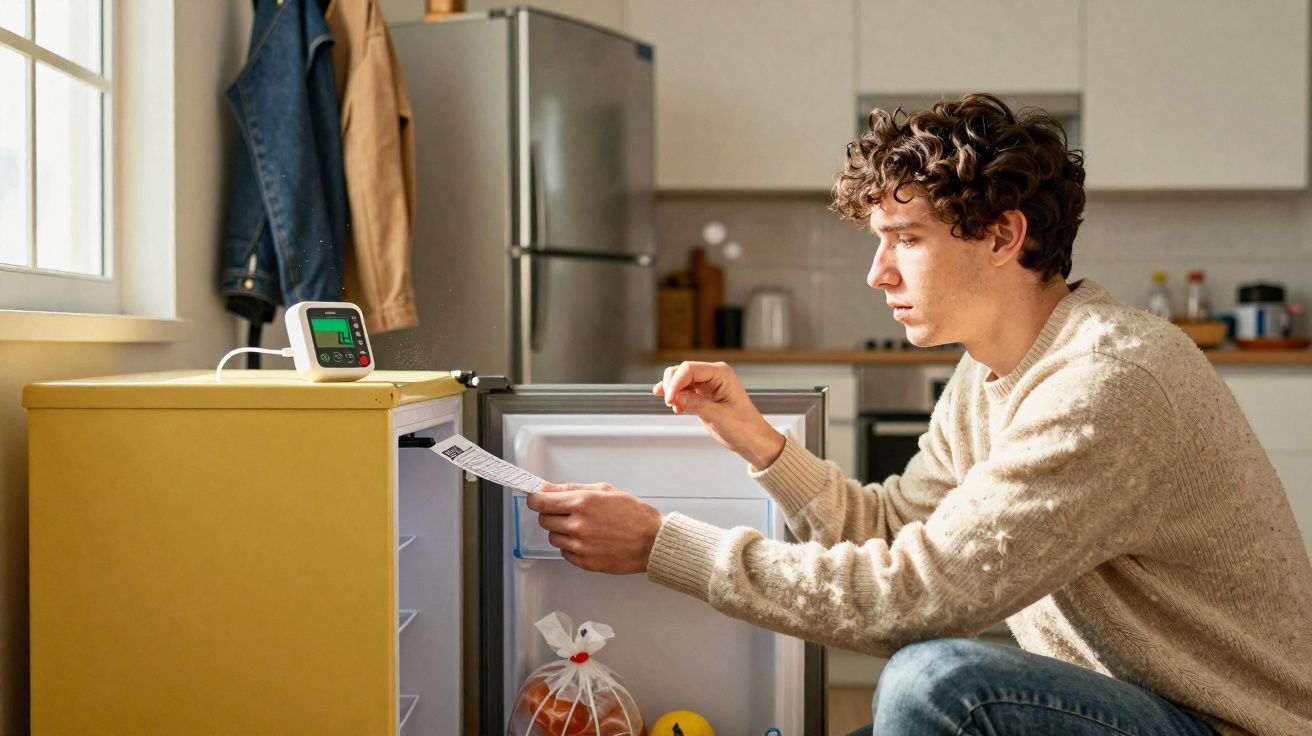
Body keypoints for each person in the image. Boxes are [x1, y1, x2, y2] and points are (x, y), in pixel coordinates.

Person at [524, 93, 1312, 735]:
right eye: (878, 240)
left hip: (1221, 724)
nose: (877, 272)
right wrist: (761, 444)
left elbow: (913, 600)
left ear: (1004, 236)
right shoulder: (991, 367)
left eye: (906, 239)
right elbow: (899, 530)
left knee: (936, 684)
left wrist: (664, 545)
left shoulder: (1105, 381)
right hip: (1125, 707)